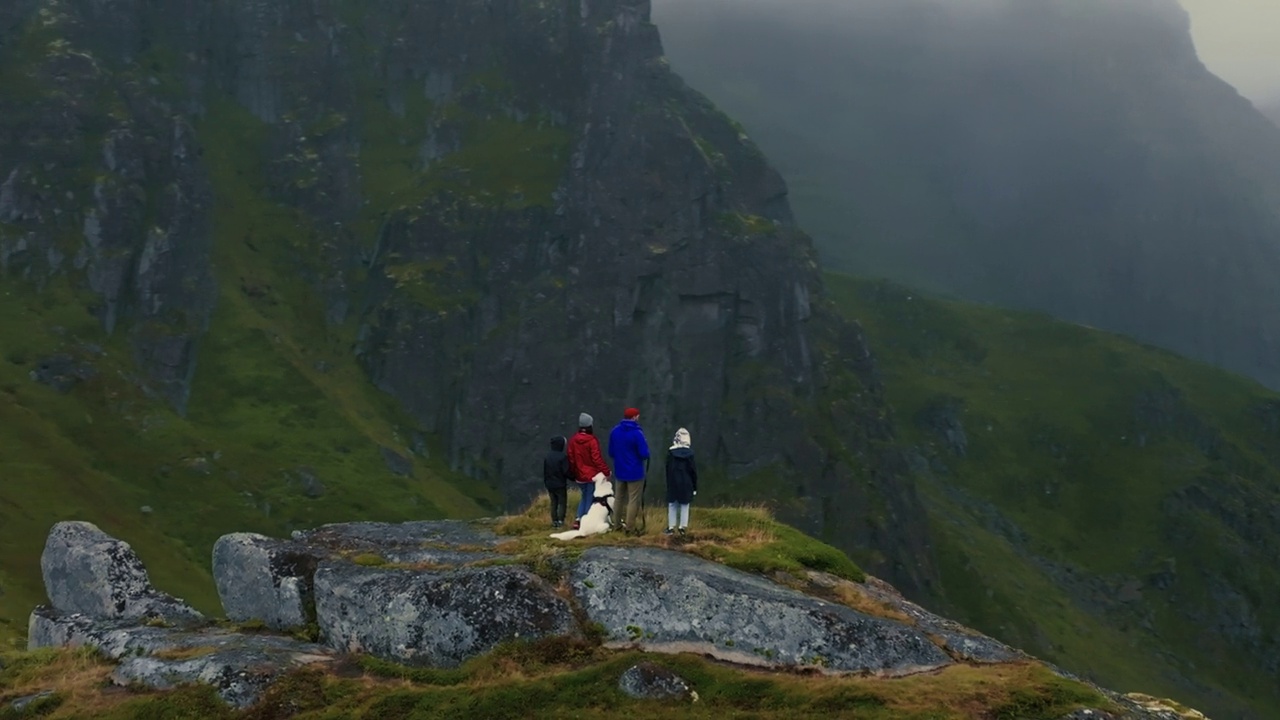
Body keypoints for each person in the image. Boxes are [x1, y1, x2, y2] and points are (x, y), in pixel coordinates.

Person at [608, 407, 650, 534]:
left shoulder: (615, 431)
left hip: (620, 470)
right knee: (633, 499)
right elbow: (644, 454)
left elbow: (611, 452)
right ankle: (630, 528)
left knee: (619, 498)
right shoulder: (637, 433)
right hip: (635, 472)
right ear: (634, 417)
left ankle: (616, 525)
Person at [566, 413, 611, 530]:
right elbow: (597, 459)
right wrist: (606, 471)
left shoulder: (573, 440)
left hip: (579, 475)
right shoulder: (592, 440)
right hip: (592, 475)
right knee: (590, 497)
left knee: (584, 496)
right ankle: (585, 520)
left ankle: (578, 518)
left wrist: (574, 471)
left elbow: (571, 458)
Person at [664, 427, 697, 535]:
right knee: (685, 505)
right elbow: (693, 471)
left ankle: (671, 527)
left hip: (673, 482)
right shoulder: (690, 454)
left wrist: (668, 482)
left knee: (672, 505)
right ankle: (682, 527)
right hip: (687, 483)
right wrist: (694, 486)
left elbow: (667, 469)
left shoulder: (671, 452)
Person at [543, 436, 572, 527]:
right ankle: (560, 521)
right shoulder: (562, 457)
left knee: (553, 502)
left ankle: (554, 521)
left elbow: (545, 471)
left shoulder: (547, 456)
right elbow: (566, 471)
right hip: (560, 484)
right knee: (562, 502)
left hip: (550, 484)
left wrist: (546, 482)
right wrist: (573, 477)